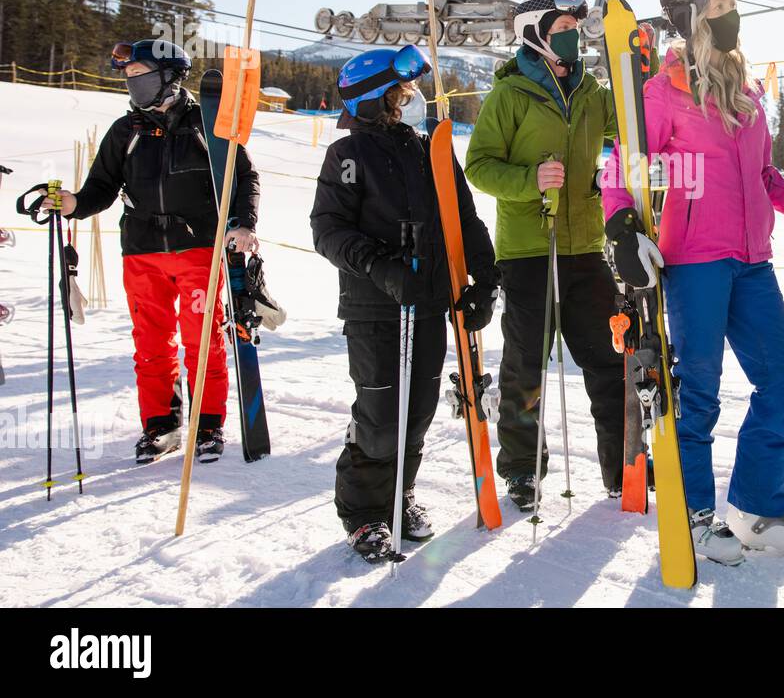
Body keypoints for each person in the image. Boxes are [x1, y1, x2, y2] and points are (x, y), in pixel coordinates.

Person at [602, 0, 784, 566]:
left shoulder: (748, 89)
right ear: (694, 20)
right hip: (696, 260)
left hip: (754, 261)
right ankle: (696, 514)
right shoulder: (663, 90)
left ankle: (755, 509)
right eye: (720, 8)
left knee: (782, 380)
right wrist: (621, 224)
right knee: (699, 392)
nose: (732, 18)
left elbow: (761, 173)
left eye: (733, 5)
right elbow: (624, 163)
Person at [311, 44, 500, 562]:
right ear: (376, 100)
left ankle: (400, 490)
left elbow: (465, 218)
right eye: (402, 93)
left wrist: (485, 278)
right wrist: (382, 267)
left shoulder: (428, 150)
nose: (409, 101)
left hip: (431, 303)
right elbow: (327, 230)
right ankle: (363, 513)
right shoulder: (347, 155)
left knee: (416, 413)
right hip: (375, 308)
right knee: (380, 415)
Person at [43, 39, 259, 464]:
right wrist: (72, 204)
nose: (132, 83)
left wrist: (245, 224)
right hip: (141, 252)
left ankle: (208, 424)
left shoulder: (207, 124)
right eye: (127, 77)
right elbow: (99, 190)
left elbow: (244, 177)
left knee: (202, 341)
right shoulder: (126, 131)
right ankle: (160, 425)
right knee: (151, 344)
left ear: (168, 76)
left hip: (198, 248)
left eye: (139, 74)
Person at [465, 0, 627, 510]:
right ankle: (522, 469)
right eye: (562, 25)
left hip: (586, 246)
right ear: (534, 32)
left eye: (575, 27)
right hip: (530, 250)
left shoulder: (590, 89)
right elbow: (479, 165)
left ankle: (623, 466)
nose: (572, 34)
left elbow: (627, 128)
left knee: (608, 359)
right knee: (526, 366)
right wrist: (530, 180)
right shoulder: (510, 95)